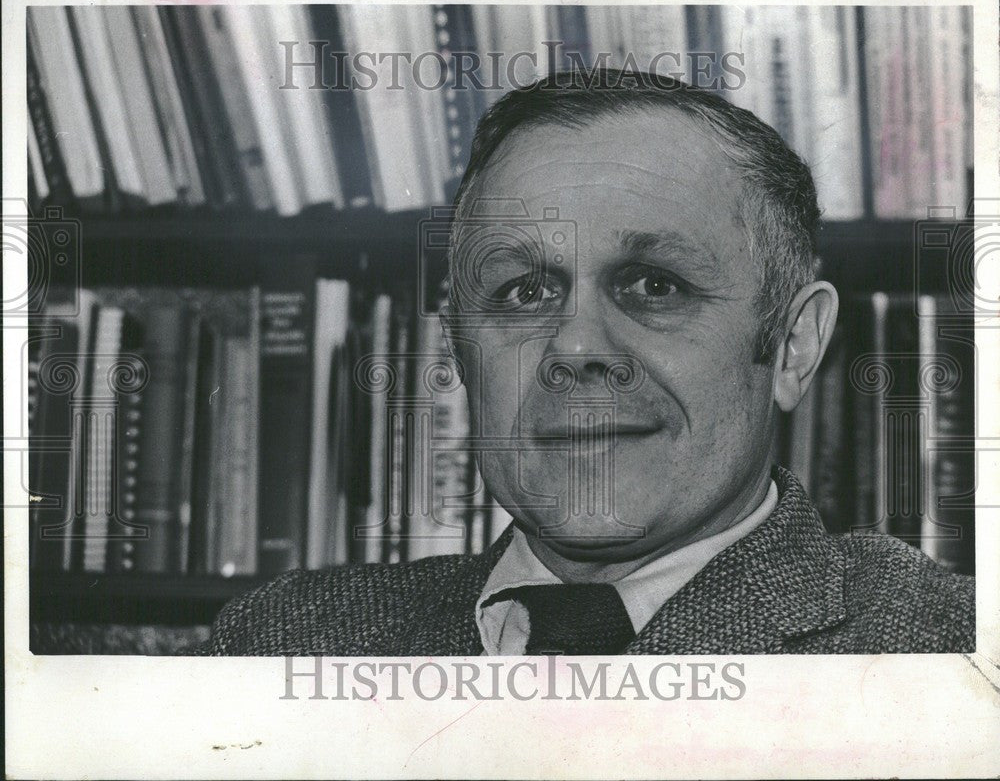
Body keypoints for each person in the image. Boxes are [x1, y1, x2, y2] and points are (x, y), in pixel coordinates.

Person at [206, 69, 974, 656]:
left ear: (793, 345)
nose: (575, 348)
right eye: (525, 290)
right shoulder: (280, 644)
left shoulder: (953, 650)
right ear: (461, 349)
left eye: (653, 285)